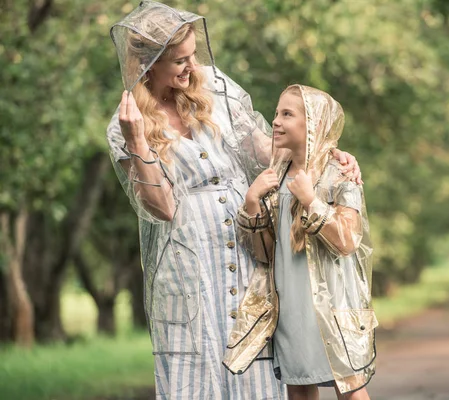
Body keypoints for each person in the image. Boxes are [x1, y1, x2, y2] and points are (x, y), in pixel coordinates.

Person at [106, 2, 362, 399]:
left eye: (193, 55)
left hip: (247, 242)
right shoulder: (126, 123)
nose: (191, 66)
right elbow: (162, 207)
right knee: (199, 360)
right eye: (179, 61)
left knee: (255, 351)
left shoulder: (213, 86)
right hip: (188, 262)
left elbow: (267, 149)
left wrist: (329, 157)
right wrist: (137, 141)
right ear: (147, 63)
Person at [223, 85, 377, 400]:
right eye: (277, 113)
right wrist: (253, 203)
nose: (276, 121)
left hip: (331, 303)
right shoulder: (274, 178)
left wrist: (311, 201)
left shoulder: (339, 173)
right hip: (290, 303)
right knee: (298, 385)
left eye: (287, 114)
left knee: (350, 389)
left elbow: (348, 241)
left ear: (314, 124)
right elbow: (266, 253)